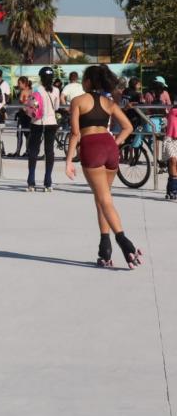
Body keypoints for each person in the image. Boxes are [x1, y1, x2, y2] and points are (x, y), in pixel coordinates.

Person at [65, 65, 142, 268]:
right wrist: (114, 144)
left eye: (83, 78)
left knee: (104, 200)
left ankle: (124, 242)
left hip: (91, 148)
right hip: (109, 148)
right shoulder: (108, 102)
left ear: (89, 81)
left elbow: (75, 134)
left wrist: (68, 161)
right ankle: (104, 249)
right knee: (103, 198)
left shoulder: (78, 101)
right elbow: (128, 127)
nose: (82, 81)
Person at [26, 66, 61, 192]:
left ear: (41, 77)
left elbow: (32, 104)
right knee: (49, 151)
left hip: (37, 122)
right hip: (51, 122)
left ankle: (31, 181)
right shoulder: (56, 90)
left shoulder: (36, 89)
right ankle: (48, 181)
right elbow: (57, 107)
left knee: (34, 150)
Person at [12, 76, 33, 158]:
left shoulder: (23, 91)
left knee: (19, 133)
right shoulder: (31, 91)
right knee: (28, 134)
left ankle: (17, 152)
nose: (18, 85)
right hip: (30, 115)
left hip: (23, 114)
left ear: (24, 83)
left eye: (19, 83)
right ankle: (28, 151)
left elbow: (21, 102)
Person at [164, 100, 177, 201]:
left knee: (175, 165)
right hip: (169, 139)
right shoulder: (173, 110)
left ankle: (169, 190)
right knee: (173, 161)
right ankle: (173, 190)